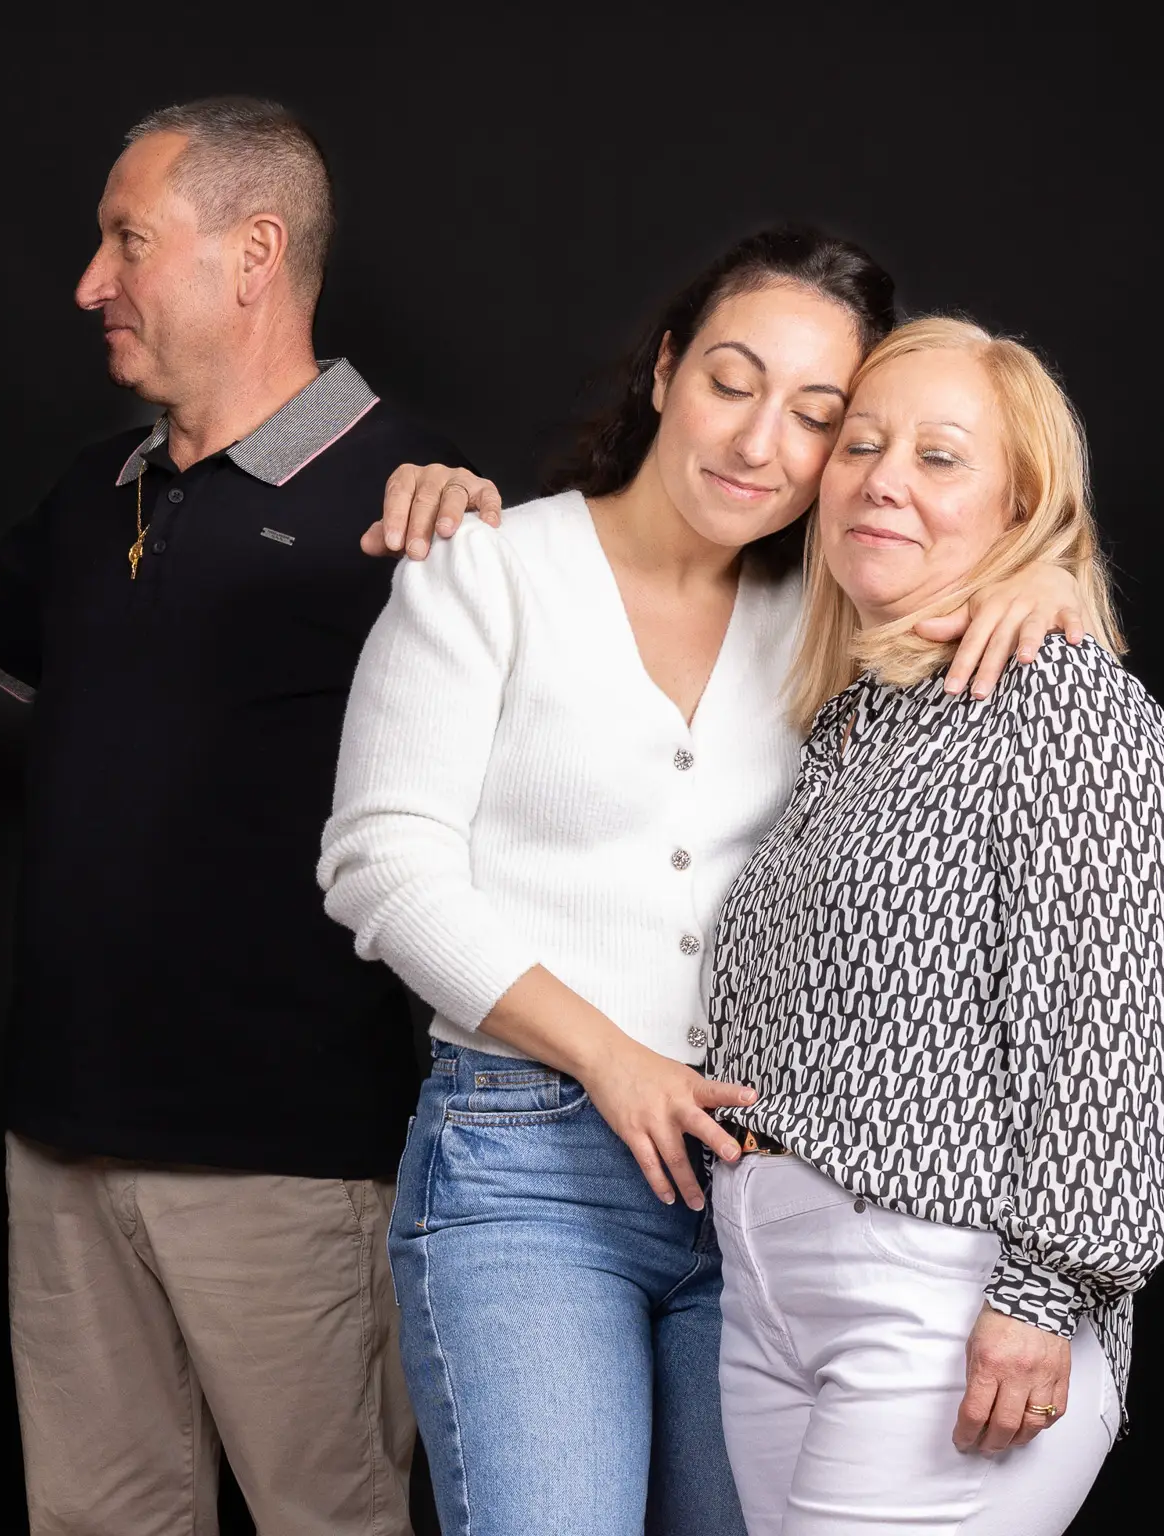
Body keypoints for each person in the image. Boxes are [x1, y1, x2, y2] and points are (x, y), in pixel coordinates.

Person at [318, 228, 1095, 1536]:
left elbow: (993, 571)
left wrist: (1049, 583)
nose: (759, 443)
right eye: (734, 381)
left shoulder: (837, 618)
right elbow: (380, 867)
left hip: (767, 1206)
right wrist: (614, 1059)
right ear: (668, 370)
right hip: (529, 1165)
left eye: (818, 418)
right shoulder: (493, 565)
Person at [0, 98, 473, 1535]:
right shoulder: (102, 490)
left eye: (126, 240)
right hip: (63, 1146)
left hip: (289, 1159)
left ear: (254, 256)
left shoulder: (423, 507)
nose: (88, 282)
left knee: (334, 1520)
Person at [706, 316, 1164, 1534]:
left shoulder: (1061, 704)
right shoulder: (854, 720)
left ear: (1022, 503)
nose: (880, 478)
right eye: (861, 444)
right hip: (772, 1294)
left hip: (936, 1295)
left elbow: (1106, 1030)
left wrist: (1041, 1296)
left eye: (938, 455)